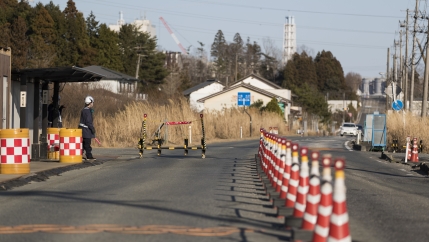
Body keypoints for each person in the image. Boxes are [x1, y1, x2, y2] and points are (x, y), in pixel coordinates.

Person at [79, 96, 96, 161]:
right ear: (90, 102)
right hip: (86, 130)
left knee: (83, 143)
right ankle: (89, 156)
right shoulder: (88, 111)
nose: (93, 103)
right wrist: (92, 129)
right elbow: (88, 122)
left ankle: (80, 155)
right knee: (87, 143)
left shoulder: (83, 110)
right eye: (92, 102)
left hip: (82, 129)